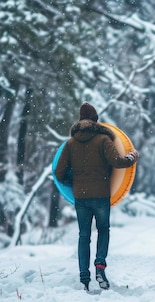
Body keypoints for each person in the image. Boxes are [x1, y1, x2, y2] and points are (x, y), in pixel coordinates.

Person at [55, 102, 139, 291]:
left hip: (81, 198)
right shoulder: (103, 140)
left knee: (83, 235)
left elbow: (59, 173)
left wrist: (75, 181)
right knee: (103, 230)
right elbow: (118, 162)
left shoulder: (71, 143)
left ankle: (84, 276)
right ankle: (100, 267)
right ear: (95, 120)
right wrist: (132, 157)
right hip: (101, 195)